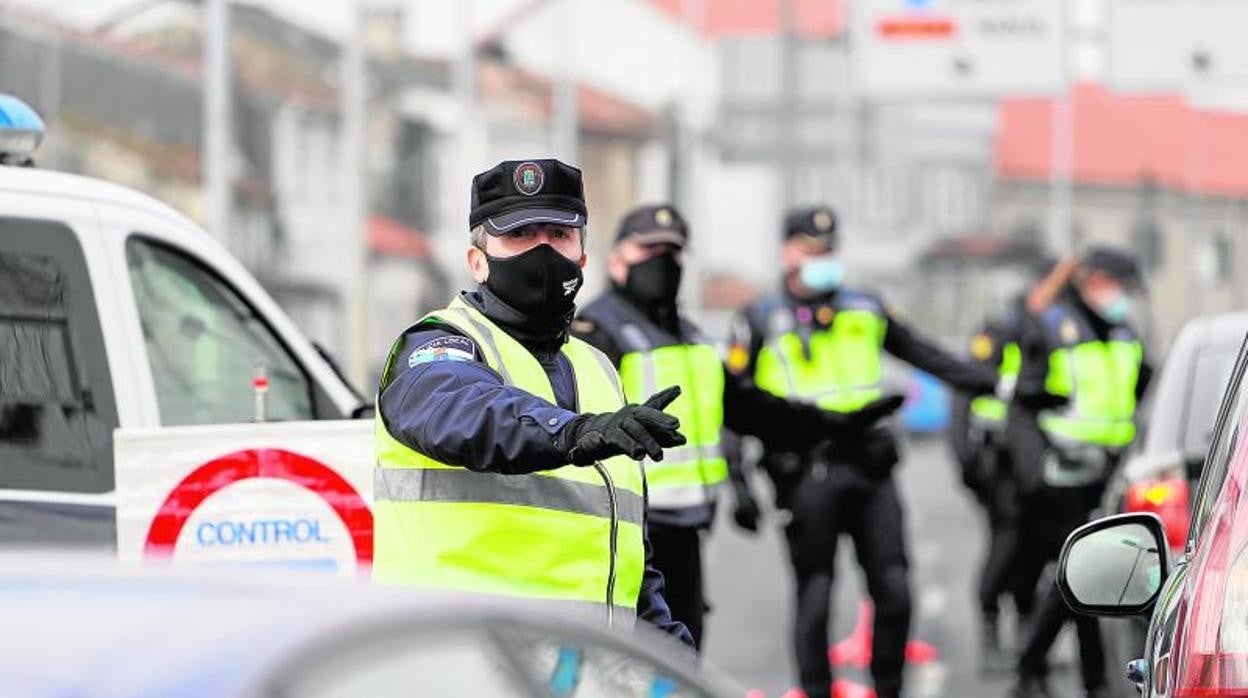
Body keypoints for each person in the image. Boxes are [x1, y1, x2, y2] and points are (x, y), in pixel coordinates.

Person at [372, 159, 692, 647]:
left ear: (583, 254)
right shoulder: (437, 346)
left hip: (582, 672)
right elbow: (461, 413)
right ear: (477, 260)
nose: (543, 250)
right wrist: (573, 433)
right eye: (520, 235)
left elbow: (627, 556)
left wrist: (673, 665)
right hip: (459, 668)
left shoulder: (599, 369)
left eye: (559, 235)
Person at [573, 204, 903, 650]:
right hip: (627, 529)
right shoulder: (594, 331)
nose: (662, 261)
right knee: (635, 660)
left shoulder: (688, 335)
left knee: (681, 656)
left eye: (672, 252)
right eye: (649, 249)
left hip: (686, 528)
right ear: (616, 259)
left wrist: (836, 424)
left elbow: (750, 409)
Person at [726, 206, 999, 698]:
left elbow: (924, 353)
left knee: (894, 588)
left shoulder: (866, 306)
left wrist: (990, 382)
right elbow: (733, 402)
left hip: (870, 466)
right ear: (788, 252)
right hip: (807, 469)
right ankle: (815, 690)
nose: (822, 260)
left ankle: (887, 688)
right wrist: (737, 477)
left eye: (828, 250)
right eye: (811, 250)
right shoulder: (760, 318)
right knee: (816, 591)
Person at [1007, 248, 1153, 698]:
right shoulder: (1054, 327)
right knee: (1079, 575)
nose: (1121, 296)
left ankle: (1087, 679)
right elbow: (1024, 400)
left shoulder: (1124, 333)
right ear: (1095, 282)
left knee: (1089, 578)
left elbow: (1144, 385)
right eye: (1116, 285)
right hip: (1063, 473)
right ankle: (1035, 667)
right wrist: (1034, 470)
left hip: (1108, 470)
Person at [948, 303, 1028, 675]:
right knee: (1006, 547)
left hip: (1027, 468)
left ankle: (1028, 643)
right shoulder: (998, 336)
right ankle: (991, 636)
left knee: (1029, 552)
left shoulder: (1034, 336)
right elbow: (963, 400)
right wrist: (969, 465)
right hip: (997, 469)